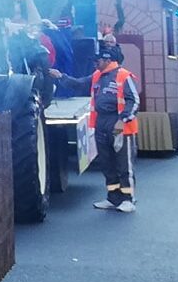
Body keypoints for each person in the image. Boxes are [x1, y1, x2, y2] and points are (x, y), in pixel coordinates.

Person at [49, 44, 140, 212]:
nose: (95, 63)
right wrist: (60, 76)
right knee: (107, 163)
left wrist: (122, 120)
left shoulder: (123, 76)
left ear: (107, 60)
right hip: (101, 124)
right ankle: (113, 198)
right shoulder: (97, 76)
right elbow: (78, 84)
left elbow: (133, 100)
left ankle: (128, 199)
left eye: (97, 60)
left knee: (123, 164)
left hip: (119, 125)